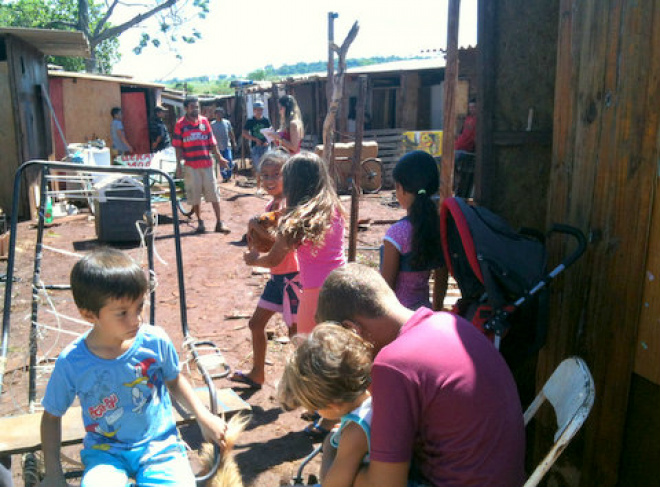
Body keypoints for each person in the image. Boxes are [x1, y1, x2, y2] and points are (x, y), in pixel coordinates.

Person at [315, 263, 526, 487]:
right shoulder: (450, 322)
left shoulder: (393, 364)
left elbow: (385, 485)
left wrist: (333, 458)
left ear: (352, 331)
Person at [39, 249, 227, 487]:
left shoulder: (154, 341)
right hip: (105, 453)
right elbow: (51, 417)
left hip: (159, 446)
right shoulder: (72, 362)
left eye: (139, 308)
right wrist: (54, 473)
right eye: (122, 313)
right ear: (89, 315)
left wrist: (203, 416)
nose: (136, 319)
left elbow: (174, 380)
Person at [230, 150, 301, 389]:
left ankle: (305, 386)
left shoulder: (290, 206)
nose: (270, 180)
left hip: (293, 278)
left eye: (276, 174)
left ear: (288, 176)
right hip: (277, 278)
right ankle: (258, 373)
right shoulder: (271, 205)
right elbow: (264, 240)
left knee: (295, 334)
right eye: (265, 175)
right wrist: (253, 249)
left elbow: (280, 240)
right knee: (256, 324)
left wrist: (254, 226)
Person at [278, 324, 373, 487]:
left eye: (316, 408)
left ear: (333, 405)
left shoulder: (354, 433)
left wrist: (328, 446)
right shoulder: (372, 403)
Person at [381, 151, 448, 310]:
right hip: (425, 312)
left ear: (400, 188)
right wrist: (436, 311)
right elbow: (442, 277)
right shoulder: (438, 228)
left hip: (399, 317)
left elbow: (386, 289)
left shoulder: (396, 234)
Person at [173, 96, 231, 234]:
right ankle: (200, 222)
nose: (196, 109)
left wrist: (220, 158)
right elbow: (177, 147)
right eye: (193, 106)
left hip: (207, 164)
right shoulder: (180, 125)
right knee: (195, 195)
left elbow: (212, 143)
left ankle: (219, 222)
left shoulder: (204, 122)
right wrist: (178, 165)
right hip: (191, 166)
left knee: (214, 194)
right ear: (186, 108)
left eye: (197, 106)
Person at [242, 101, 271, 194]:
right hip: (255, 147)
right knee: (258, 168)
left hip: (265, 147)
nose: (259, 111)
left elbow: (270, 133)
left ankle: (267, 187)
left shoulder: (266, 120)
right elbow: (244, 133)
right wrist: (255, 139)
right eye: (257, 110)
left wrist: (267, 141)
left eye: (261, 109)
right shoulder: (250, 121)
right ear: (254, 110)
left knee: (267, 167)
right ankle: (258, 188)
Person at [454, 98, 477, 197]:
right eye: (470, 107)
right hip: (459, 147)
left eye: (474, 107)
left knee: (465, 174)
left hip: (467, 150)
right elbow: (462, 132)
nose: (472, 109)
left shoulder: (478, 120)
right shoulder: (468, 119)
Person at [211, 107, 237, 183]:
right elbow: (210, 135)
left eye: (221, 113)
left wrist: (234, 142)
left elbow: (231, 133)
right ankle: (224, 177)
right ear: (215, 115)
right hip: (217, 147)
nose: (219, 115)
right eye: (217, 113)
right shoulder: (212, 124)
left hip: (227, 145)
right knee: (221, 162)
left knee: (229, 159)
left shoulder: (227, 122)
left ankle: (229, 175)